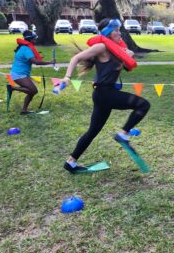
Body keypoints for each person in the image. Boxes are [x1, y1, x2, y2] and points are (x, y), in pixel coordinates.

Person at [61, 18, 150, 173]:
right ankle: (123, 135)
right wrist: (67, 77)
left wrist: (129, 55)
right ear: (108, 32)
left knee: (92, 131)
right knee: (143, 104)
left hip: (104, 95)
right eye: (116, 30)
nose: (119, 33)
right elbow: (75, 58)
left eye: (119, 30)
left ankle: (71, 162)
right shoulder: (101, 46)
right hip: (104, 93)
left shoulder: (117, 49)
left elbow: (126, 66)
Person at [7, 30, 55, 114]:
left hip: (19, 73)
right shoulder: (26, 49)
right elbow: (35, 62)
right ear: (30, 39)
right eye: (34, 38)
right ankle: (12, 88)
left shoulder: (22, 47)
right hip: (19, 74)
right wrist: (50, 62)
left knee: (31, 92)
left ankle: (24, 110)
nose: (35, 40)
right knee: (33, 90)